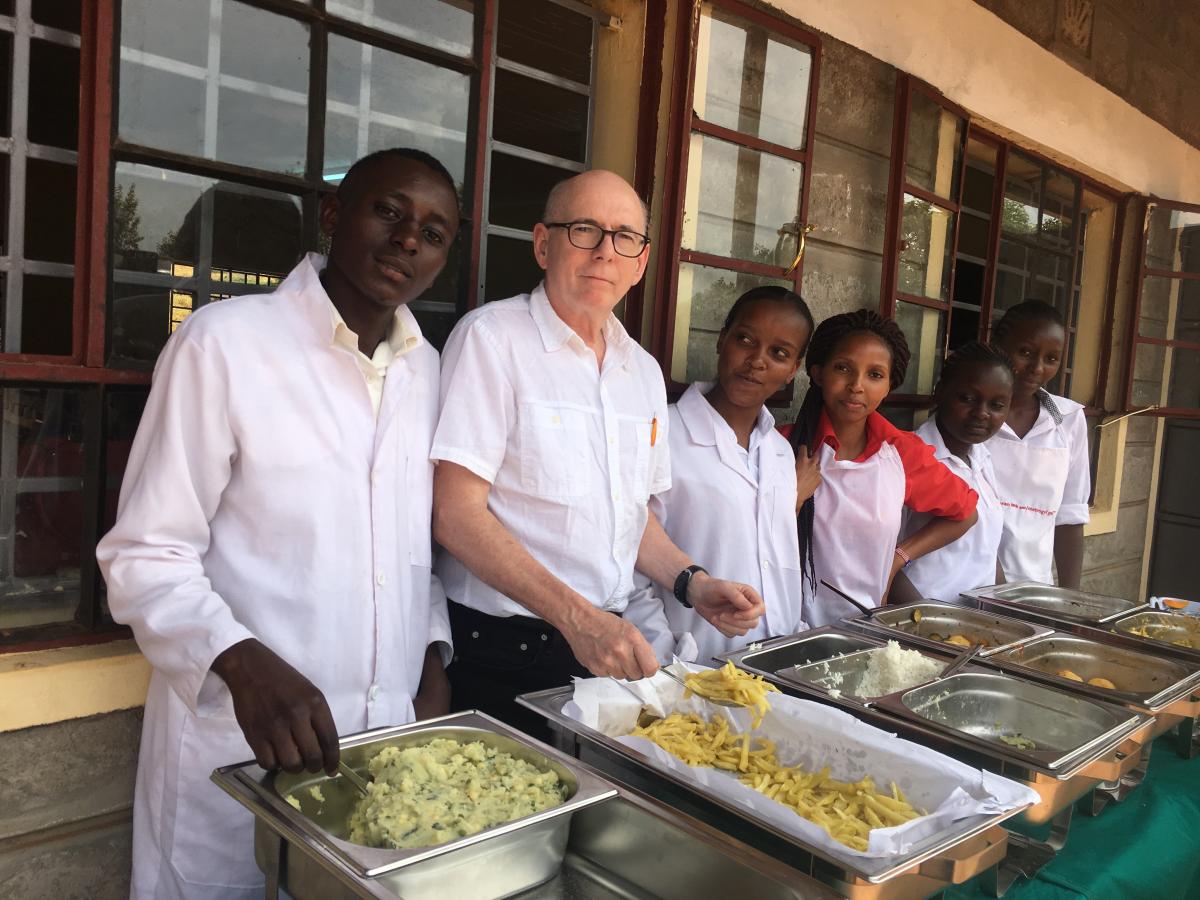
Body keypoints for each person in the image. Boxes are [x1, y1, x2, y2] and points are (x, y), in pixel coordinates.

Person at [96, 148, 460, 900]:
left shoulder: (427, 370)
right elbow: (146, 552)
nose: (406, 241)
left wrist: (430, 657)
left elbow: (405, 544)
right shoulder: (225, 344)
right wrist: (238, 657)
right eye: (387, 212)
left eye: (432, 232)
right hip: (234, 747)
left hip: (377, 755)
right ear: (333, 215)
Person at [430, 169, 765, 737]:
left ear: (641, 262)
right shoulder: (491, 339)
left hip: (606, 645)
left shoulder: (643, 372)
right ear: (543, 243)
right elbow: (455, 515)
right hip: (506, 651)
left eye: (625, 237)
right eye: (584, 229)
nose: (605, 252)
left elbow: (631, 519)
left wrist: (694, 583)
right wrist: (576, 619)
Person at [625, 287, 813, 663]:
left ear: (793, 369)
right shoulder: (662, 434)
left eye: (779, 353)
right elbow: (629, 558)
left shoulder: (777, 450)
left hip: (777, 664)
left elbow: (776, 562)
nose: (757, 361)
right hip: (692, 667)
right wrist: (664, 658)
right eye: (745, 339)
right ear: (721, 340)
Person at [783, 309, 979, 627]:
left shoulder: (901, 453)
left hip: (865, 632)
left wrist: (898, 559)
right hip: (781, 630)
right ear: (818, 373)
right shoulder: (782, 447)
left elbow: (966, 513)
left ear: (889, 385)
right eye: (843, 368)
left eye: (875, 375)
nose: (856, 386)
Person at [986, 300, 1090, 588]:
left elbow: (1070, 516)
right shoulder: (973, 420)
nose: (1037, 368)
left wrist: (1070, 600)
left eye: (1052, 359)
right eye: (1025, 352)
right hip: (967, 586)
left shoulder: (1068, 420)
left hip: (1034, 591)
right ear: (997, 345)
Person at [899, 342, 1012, 602]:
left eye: (997, 405)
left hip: (976, 624)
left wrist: (1005, 607)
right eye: (967, 398)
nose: (982, 413)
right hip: (924, 621)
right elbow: (882, 559)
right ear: (940, 393)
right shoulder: (910, 459)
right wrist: (925, 621)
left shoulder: (983, 458)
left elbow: (987, 550)